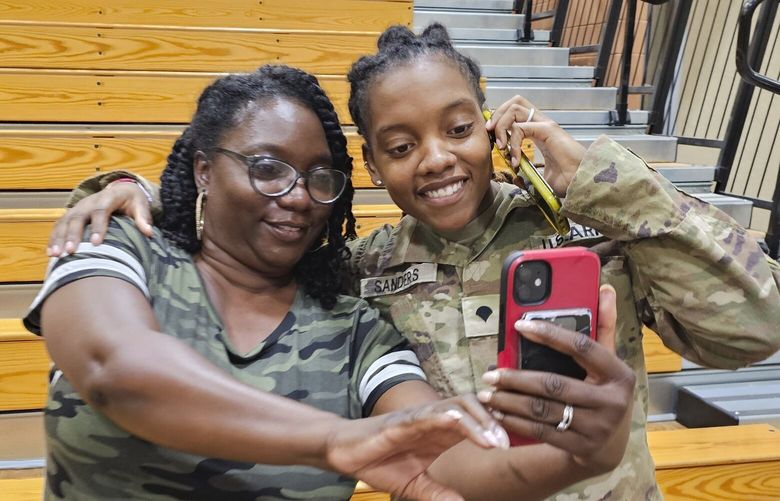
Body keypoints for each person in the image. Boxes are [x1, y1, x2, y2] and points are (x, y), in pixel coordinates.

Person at [46, 23, 780, 500]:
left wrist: (600, 175)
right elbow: (244, 245)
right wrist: (129, 187)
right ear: (370, 164)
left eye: (458, 128)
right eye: (399, 147)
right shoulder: (362, 272)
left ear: (489, 124)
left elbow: (756, 327)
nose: (435, 160)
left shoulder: (595, 228)